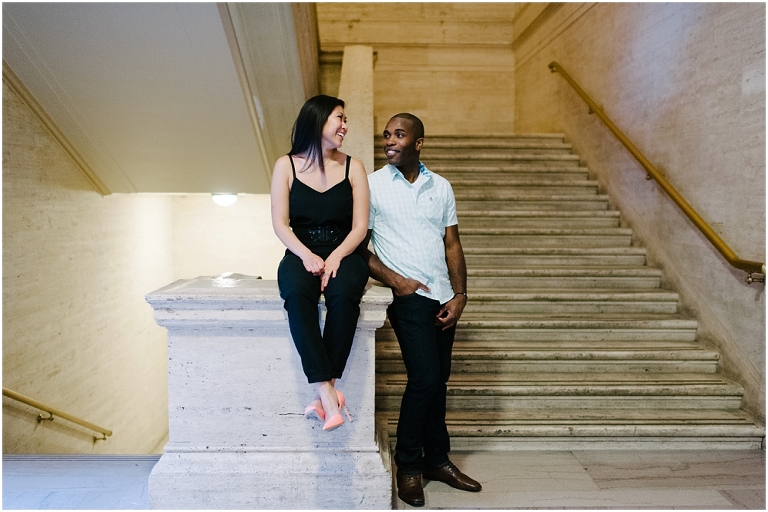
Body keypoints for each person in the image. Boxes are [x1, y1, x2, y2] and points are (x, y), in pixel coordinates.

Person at [360, 113, 482, 506]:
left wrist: (460, 295)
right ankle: (409, 467)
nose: (389, 141)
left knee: (437, 381)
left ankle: (438, 461)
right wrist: (397, 282)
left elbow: (452, 244)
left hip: (444, 295)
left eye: (399, 134)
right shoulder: (373, 186)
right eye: (386, 135)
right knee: (425, 378)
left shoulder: (440, 186)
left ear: (419, 142)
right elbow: (359, 248)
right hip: (408, 296)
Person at [270, 95, 370, 432]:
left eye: (345, 119)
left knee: (344, 295)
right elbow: (280, 224)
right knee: (298, 293)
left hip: (346, 251)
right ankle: (328, 393)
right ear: (318, 120)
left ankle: (325, 394)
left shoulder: (354, 167)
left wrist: (336, 256)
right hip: (301, 250)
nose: (345, 126)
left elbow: (360, 226)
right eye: (338, 118)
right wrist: (307, 255)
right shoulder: (286, 165)